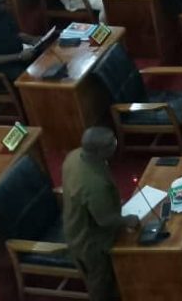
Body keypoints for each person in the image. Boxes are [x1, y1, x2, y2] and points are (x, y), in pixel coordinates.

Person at [62, 127, 140, 300]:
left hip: (76, 222)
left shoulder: (74, 156)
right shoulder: (94, 185)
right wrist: (127, 220)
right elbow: (104, 220)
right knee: (101, 284)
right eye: (111, 144)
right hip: (89, 242)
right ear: (98, 151)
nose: (115, 144)